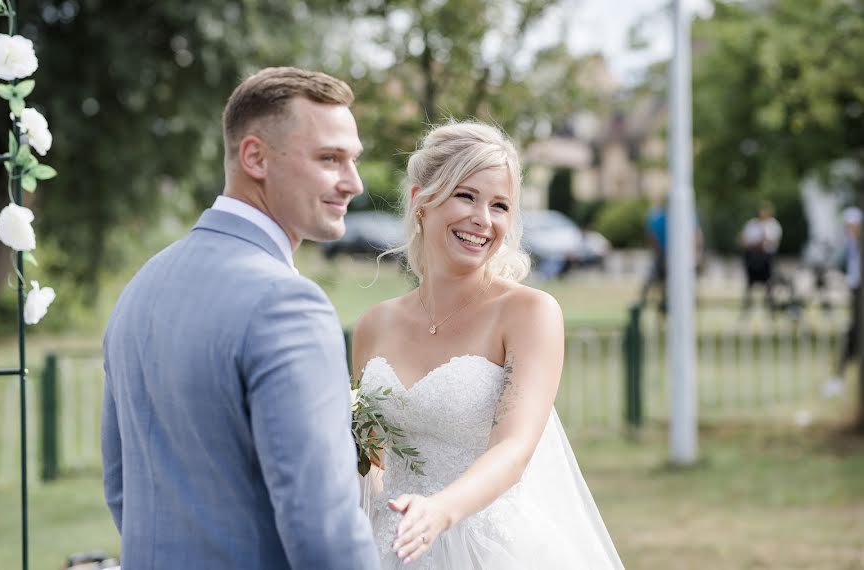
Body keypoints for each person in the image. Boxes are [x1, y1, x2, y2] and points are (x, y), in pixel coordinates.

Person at [102, 67, 380, 569]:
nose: (353, 183)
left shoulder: (141, 287)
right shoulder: (288, 304)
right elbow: (323, 529)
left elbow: (122, 487)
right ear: (255, 157)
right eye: (329, 159)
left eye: (353, 160)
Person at [352, 121, 623, 569]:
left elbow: (513, 449)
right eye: (466, 195)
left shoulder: (529, 313)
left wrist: (440, 511)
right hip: (394, 545)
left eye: (500, 205)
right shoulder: (373, 325)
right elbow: (369, 459)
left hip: (489, 547)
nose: (483, 219)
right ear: (422, 201)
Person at [824, 206, 862, 398]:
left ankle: (838, 377)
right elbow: (839, 264)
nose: (851, 228)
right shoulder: (849, 244)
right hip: (856, 291)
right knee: (852, 333)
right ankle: (838, 378)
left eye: (854, 225)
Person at [739, 202, 783, 315]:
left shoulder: (773, 225)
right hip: (752, 259)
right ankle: (747, 310)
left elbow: (767, 242)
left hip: (767, 260)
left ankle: (770, 310)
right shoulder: (751, 224)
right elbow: (744, 241)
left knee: (769, 286)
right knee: (749, 286)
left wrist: (754, 244)